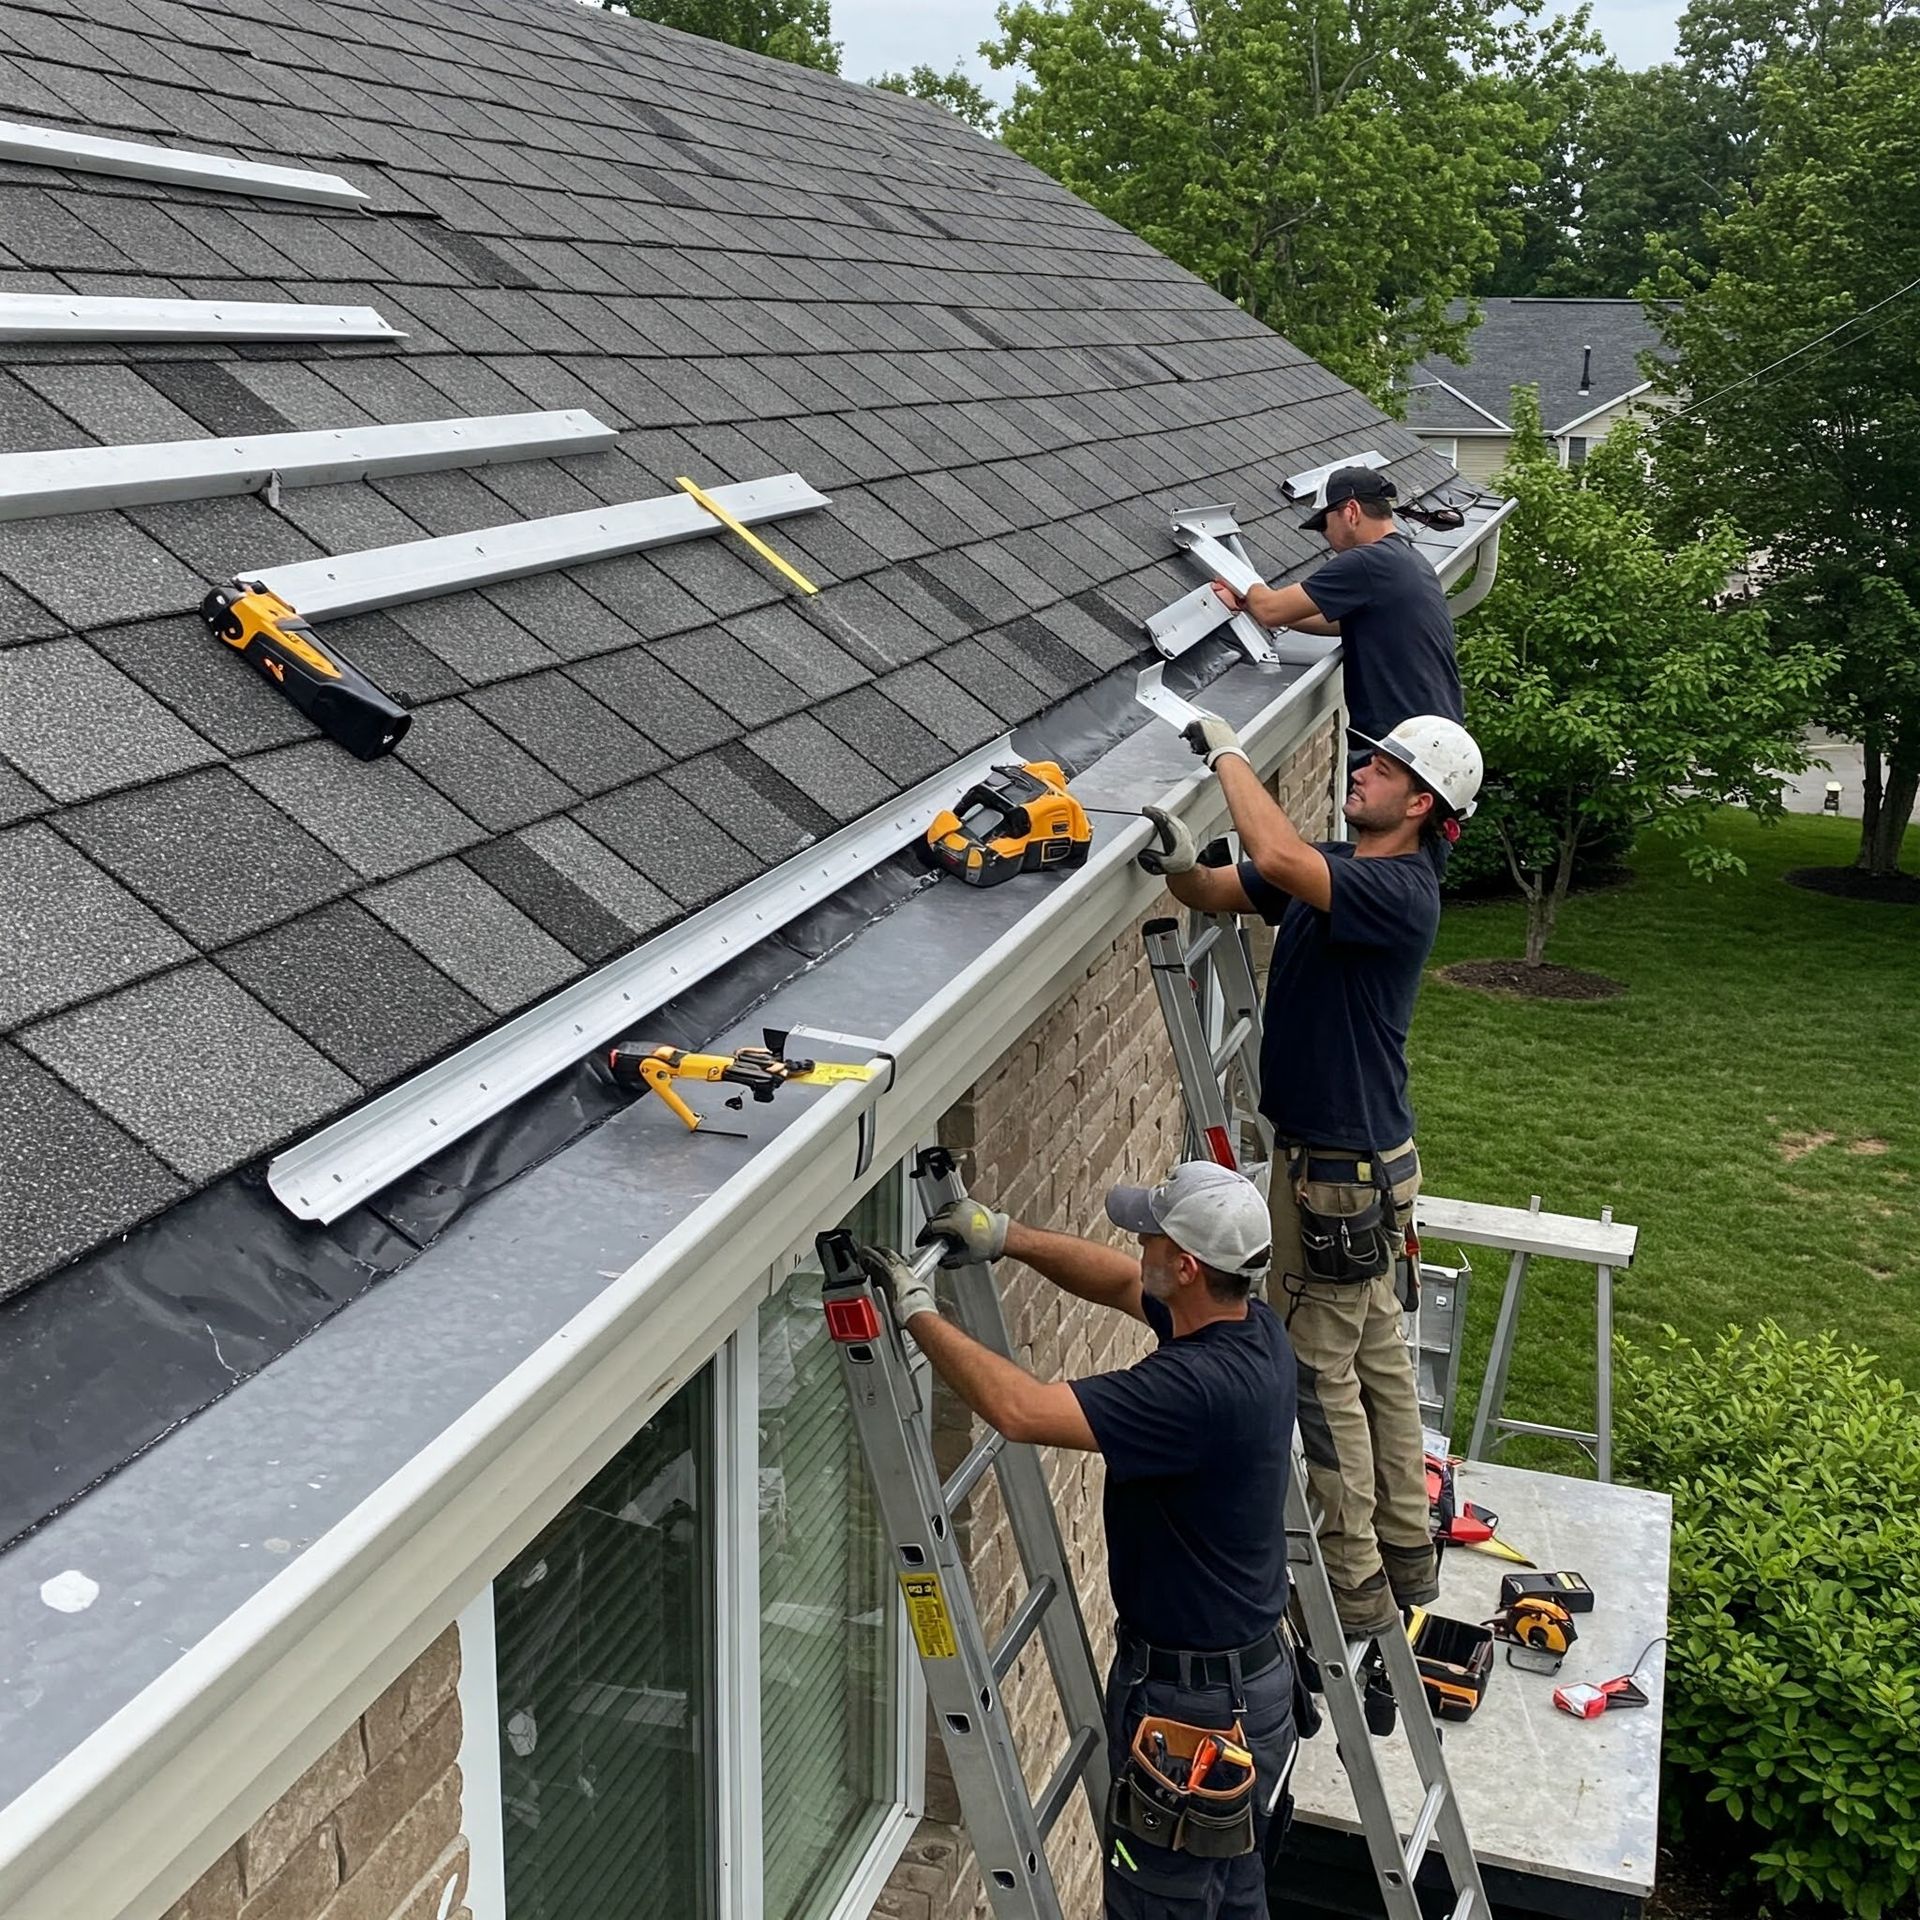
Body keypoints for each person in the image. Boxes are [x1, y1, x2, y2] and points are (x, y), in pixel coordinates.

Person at [863, 1162, 1298, 1920]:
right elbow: (1123, 1285)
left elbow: (1021, 1410)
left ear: (1188, 1267)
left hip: (1190, 1713)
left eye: (1150, 1238)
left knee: (1163, 1906)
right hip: (1232, 1690)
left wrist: (914, 1312)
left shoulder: (1192, 1392)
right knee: (1227, 1903)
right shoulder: (1248, 1329)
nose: (1138, 1246)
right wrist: (1004, 1238)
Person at [1137, 711, 1483, 1637]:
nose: (1363, 770)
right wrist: (1175, 862)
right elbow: (1222, 887)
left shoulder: (1397, 891)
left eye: (1386, 767)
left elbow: (1278, 858)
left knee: (1318, 1378)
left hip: (1337, 1178)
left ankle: (1356, 1587)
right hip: (1357, 1167)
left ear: (1421, 804)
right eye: (1367, 757)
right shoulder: (1348, 872)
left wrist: (1225, 751)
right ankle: (1406, 1555)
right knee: (1378, 1366)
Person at [1207, 465, 1463, 742]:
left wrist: (1237, 580)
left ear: (1350, 512)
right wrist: (1250, 604)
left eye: (1324, 525)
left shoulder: (1366, 562)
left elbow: (1271, 609)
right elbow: (1338, 623)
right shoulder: (1405, 557)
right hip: (1430, 736)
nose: (1325, 537)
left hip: (1401, 746)